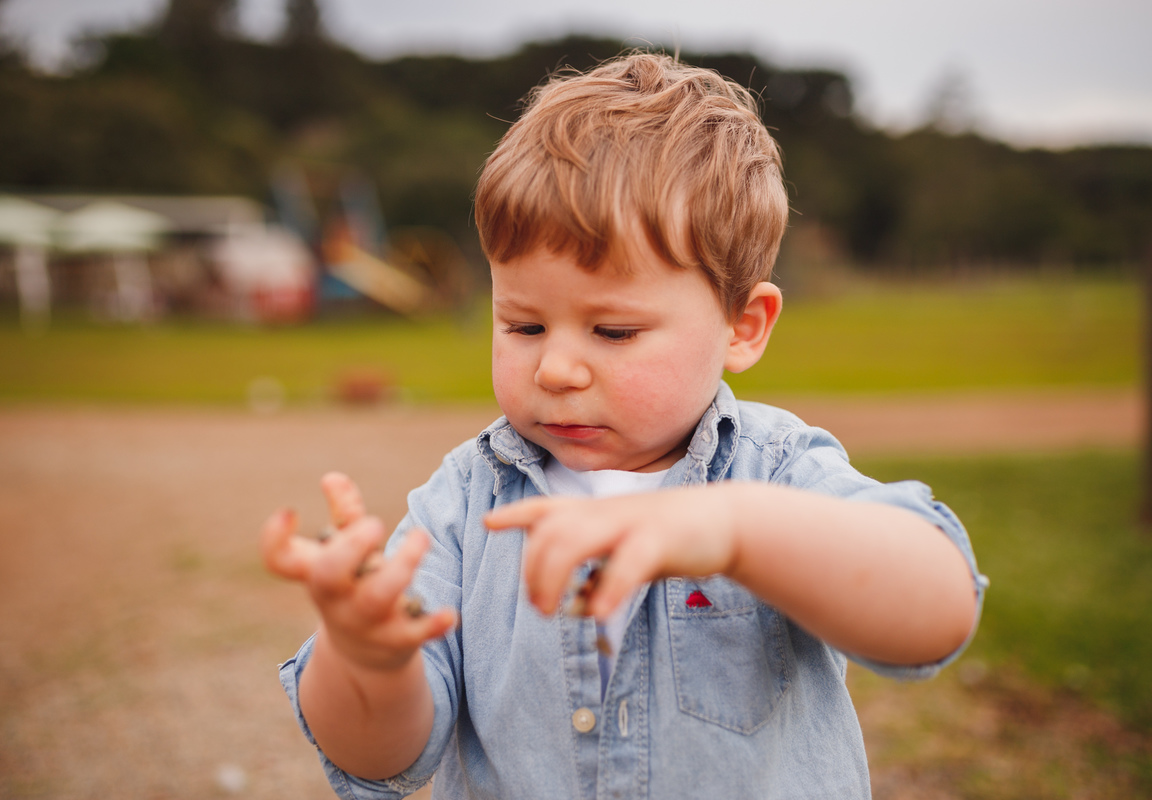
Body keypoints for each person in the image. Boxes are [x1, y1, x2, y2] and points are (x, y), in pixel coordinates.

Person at [261, 51, 987, 799]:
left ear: (743, 327)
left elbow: (939, 611)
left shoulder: (773, 472)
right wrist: (367, 660)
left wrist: (736, 531)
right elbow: (380, 761)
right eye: (523, 325)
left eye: (612, 332)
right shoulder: (466, 502)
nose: (556, 370)